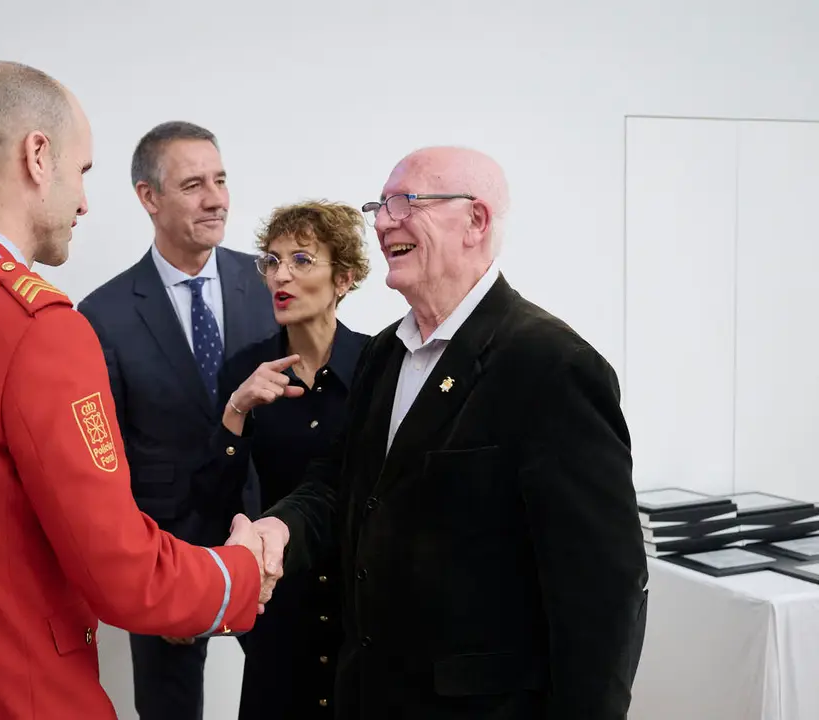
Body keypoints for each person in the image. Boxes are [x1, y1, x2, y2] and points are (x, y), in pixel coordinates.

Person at [0, 61, 276, 720]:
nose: (85, 202)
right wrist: (240, 571)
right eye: (83, 171)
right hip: (15, 693)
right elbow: (120, 572)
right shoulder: (37, 328)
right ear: (38, 156)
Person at [248, 146, 650, 719]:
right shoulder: (384, 354)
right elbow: (339, 482)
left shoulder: (551, 366)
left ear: (476, 220)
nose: (383, 223)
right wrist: (278, 527)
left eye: (406, 202)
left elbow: (602, 591)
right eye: (380, 207)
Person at [77, 121, 279, 720]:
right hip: (167, 554)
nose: (216, 199)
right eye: (194, 185)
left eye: (220, 180)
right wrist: (144, 579)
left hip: (265, 538)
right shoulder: (103, 313)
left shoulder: (269, 282)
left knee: (290, 697)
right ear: (149, 197)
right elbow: (108, 464)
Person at [194, 200, 371, 718]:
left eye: (300, 260)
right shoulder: (247, 370)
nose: (280, 276)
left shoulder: (378, 363)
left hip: (361, 611)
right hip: (280, 604)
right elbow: (215, 502)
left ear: (344, 279)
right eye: (271, 261)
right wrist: (236, 411)